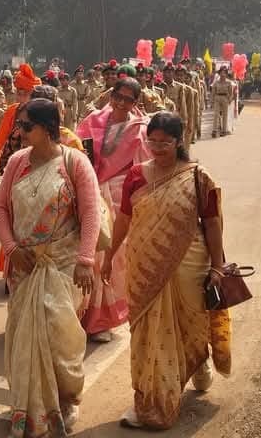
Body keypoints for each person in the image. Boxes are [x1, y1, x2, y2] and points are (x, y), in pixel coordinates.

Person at [103, 112, 231, 430]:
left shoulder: (198, 177)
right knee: (148, 332)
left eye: (165, 142)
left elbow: (212, 224)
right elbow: (123, 219)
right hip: (143, 265)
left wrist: (217, 266)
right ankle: (150, 401)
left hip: (190, 263)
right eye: (152, 141)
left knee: (191, 322)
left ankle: (197, 363)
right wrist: (108, 256)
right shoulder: (136, 176)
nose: (157, 148)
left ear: (179, 141)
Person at [0, 98, 98, 437]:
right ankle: (28, 406)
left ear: (48, 128)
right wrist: (10, 249)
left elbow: (91, 214)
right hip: (24, 264)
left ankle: (67, 400)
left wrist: (85, 260)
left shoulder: (74, 162)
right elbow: (0, 210)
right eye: (18, 126)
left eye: (26, 126)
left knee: (60, 337)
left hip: (63, 264)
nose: (19, 131)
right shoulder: (16, 163)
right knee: (22, 336)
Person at [75, 73, 149, 342]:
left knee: (112, 259)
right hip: (89, 192)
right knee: (86, 255)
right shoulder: (91, 120)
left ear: (135, 102)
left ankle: (100, 320)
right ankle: (81, 315)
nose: (121, 103)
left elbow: (144, 171)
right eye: (117, 97)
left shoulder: (141, 129)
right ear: (110, 95)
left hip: (120, 198)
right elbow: (76, 154)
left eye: (128, 100)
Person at [0, 63, 40, 172]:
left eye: (25, 94)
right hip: (12, 162)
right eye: (19, 93)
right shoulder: (12, 111)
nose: (21, 98)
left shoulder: (41, 113)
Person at [211, 67, 232, 138]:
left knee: (224, 115)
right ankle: (214, 130)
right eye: (221, 72)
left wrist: (229, 100)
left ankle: (224, 131)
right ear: (219, 73)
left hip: (225, 98)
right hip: (217, 98)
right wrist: (212, 101)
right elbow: (213, 92)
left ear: (226, 74)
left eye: (224, 73)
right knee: (216, 114)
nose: (223, 74)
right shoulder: (216, 82)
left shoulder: (229, 83)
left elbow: (230, 92)